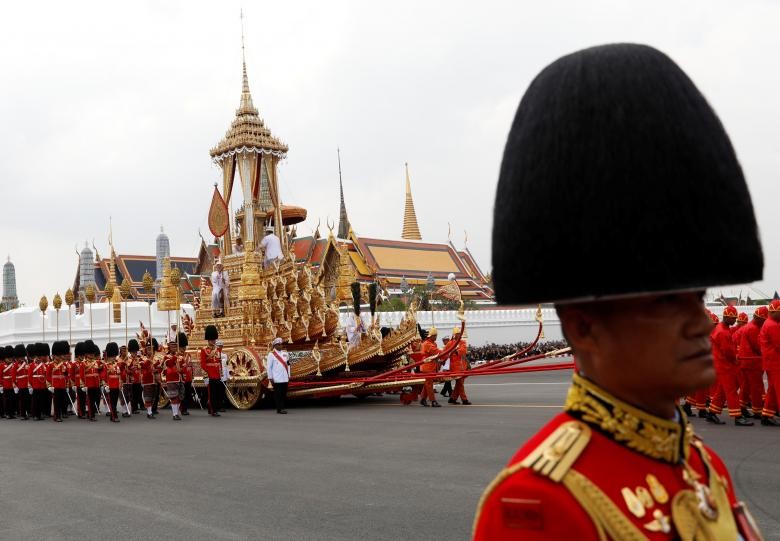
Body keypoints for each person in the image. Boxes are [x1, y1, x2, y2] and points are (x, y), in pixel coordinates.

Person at [473, 44, 764, 539]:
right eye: (667, 301)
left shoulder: (700, 462)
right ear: (585, 327)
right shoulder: (539, 502)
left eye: (698, 298)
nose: (703, 322)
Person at [707, 306, 753, 425]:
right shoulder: (723, 332)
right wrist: (735, 358)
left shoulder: (721, 329)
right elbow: (728, 351)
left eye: (735, 318)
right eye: (732, 318)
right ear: (726, 317)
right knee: (731, 391)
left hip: (721, 364)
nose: (734, 321)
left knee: (722, 391)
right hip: (725, 366)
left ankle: (712, 413)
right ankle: (737, 417)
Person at [739, 306, 767, 420]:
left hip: (748, 361)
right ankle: (757, 410)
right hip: (752, 362)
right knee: (756, 387)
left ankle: (742, 407)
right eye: (764, 320)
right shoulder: (753, 329)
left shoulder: (750, 326)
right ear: (759, 318)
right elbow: (758, 346)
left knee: (746, 386)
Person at [759, 300, 780, 424]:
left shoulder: (769, 322)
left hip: (771, 362)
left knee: (772, 390)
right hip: (776, 362)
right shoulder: (773, 325)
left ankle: (766, 415)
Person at [200, 325, 223, 416]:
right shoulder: (204, 350)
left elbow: (219, 362)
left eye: (214, 340)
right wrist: (206, 375)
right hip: (210, 374)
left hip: (217, 374)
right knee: (211, 394)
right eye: (212, 340)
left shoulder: (217, 350)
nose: (214, 341)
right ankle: (213, 410)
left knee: (217, 393)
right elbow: (203, 363)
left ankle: (214, 408)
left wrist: (220, 373)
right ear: (209, 340)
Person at [266, 337, 290, 414]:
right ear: (275, 346)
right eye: (278, 344)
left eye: (281, 344)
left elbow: (288, 365)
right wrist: (270, 377)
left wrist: (289, 375)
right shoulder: (271, 355)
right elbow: (269, 367)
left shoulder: (285, 354)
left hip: (285, 377)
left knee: (284, 393)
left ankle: (282, 407)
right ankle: (279, 408)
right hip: (277, 378)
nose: (280, 346)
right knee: (278, 394)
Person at [48, 341, 70, 422]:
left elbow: (67, 375)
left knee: (62, 401)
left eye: (61, 355)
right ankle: (56, 416)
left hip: (62, 385)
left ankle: (61, 414)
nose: (60, 357)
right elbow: (48, 376)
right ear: (54, 356)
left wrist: (67, 385)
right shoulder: (51, 365)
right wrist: (49, 386)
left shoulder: (63, 364)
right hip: (55, 386)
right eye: (58, 355)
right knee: (56, 402)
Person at [449, 327, 471, 405]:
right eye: (457, 334)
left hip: (463, 366)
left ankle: (453, 398)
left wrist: (455, 351)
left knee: (459, 383)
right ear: (454, 335)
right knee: (460, 383)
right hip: (455, 367)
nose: (459, 335)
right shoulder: (450, 343)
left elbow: (463, 350)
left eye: (459, 334)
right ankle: (464, 399)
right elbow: (445, 352)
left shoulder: (462, 342)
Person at [419, 328, 441, 407]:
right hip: (427, 367)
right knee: (429, 384)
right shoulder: (427, 344)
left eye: (436, 335)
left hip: (431, 367)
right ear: (430, 336)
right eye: (434, 336)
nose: (435, 337)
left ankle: (423, 399)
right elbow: (437, 352)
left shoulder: (432, 343)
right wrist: (447, 350)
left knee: (427, 384)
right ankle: (433, 401)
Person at [163, 339, 183, 421]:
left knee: (179, 397)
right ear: (169, 348)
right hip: (171, 379)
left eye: (175, 346)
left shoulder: (178, 356)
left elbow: (181, 367)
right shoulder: (166, 357)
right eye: (172, 347)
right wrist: (176, 357)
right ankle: (175, 414)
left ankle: (176, 412)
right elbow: (170, 364)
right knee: (173, 397)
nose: (174, 348)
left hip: (178, 378)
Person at [30, 343, 50, 421]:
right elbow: (30, 376)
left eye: (41, 356)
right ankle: (35, 415)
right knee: (36, 401)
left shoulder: (44, 365)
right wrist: (31, 386)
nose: (40, 358)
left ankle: (40, 414)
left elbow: (46, 374)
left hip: (43, 385)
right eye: (39, 356)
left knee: (41, 400)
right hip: (35, 385)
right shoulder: (32, 365)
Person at [103, 342, 122, 423]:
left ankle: (112, 416)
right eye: (113, 356)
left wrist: (120, 383)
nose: (114, 358)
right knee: (112, 402)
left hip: (116, 385)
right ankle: (114, 416)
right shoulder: (106, 365)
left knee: (114, 401)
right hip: (110, 385)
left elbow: (119, 375)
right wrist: (105, 385)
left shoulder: (117, 365)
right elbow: (103, 376)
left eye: (115, 356)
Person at [177, 332, 194, 415]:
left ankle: (185, 408)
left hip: (188, 378)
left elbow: (191, 366)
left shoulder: (188, 355)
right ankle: (183, 409)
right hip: (181, 378)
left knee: (187, 393)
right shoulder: (177, 356)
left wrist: (192, 376)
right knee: (182, 394)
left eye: (184, 347)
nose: (183, 348)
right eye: (182, 347)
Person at [15, 344, 32, 420]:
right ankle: (22, 414)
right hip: (20, 384)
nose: (22, 358)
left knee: (27, 399)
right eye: (21, 356)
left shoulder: (26, 363)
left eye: (23, 356)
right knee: (22, 400)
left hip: (26, 384)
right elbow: (13, 375)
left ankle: (28, 412)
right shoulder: (16, 365)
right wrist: (15, 385)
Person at [127, 339, 143, 414]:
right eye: (133, 352)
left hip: (138, 379)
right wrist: (131, 370)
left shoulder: (138, 359)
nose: (135, 353)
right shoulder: (128, 360)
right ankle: (134, 408)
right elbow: (127, 370)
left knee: (138, 393)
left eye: (135, 351)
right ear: (130, 352)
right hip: (132, 379)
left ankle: (137, 406)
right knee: (133, 395)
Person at [1, 345, 15, 418]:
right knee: (7, 400)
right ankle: (7, 413)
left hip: (12, 385)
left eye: (10, 357)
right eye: (8, 358)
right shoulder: (2, 366)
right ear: (5, 358)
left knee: (12, 400)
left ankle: (11, 413)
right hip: (6, 385)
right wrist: (1, 384)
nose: (9, 359)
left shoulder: (13, 365)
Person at [217, 339, 229, 412]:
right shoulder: (215, 355)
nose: (220, 348)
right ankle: (218, 405)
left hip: (223, 376)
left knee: (223, 391)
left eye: (221, 346)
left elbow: (226, 366)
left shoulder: (224, 355)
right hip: (218, 376)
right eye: (219, 346)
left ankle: (223, 404)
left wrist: (227, 376)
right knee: (218, 392)